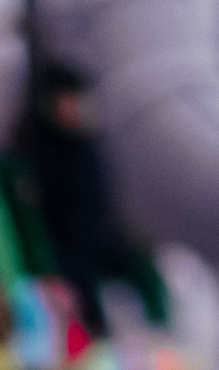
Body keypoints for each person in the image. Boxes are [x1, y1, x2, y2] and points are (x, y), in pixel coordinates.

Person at [17, 63, 169, 338]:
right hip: (58, 253)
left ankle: (158, 333)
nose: (76, 109)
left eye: (79, 100)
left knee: (141, 261)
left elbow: (101, 210)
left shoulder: (89, 150)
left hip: (96, 246)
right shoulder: (40, 156)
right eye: (68, 101)